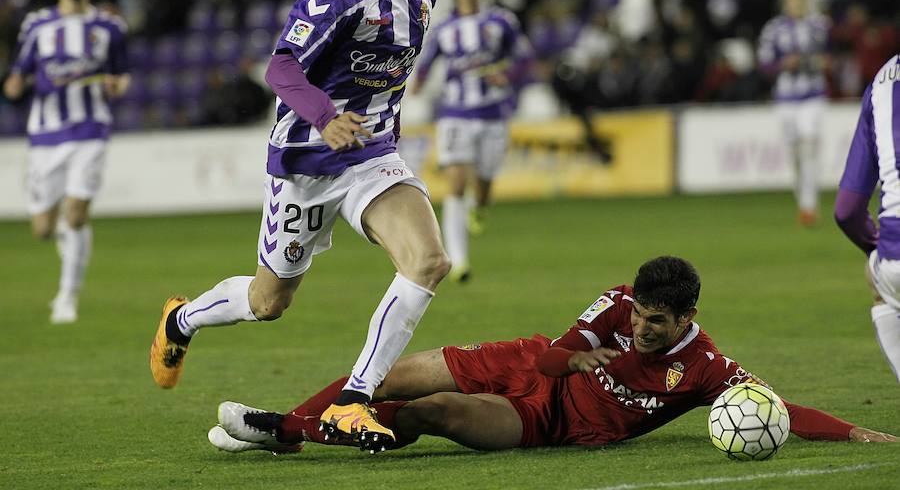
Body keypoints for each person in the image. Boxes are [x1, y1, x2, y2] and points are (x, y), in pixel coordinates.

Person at [149, 0, 448, 454]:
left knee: (428, 261)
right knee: (269, 303)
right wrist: (325, 118)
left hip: (374, 157)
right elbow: (281, 67)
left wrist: (372, 127)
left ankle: (354, 401)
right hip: (308, 161)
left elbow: (386, 77)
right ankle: (180, 319)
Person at [205, 256, 897, 454]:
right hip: (535, 367)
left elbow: (774, 408)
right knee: (390, 372)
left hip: (553, 422)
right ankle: (288, 431)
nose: (643, 329)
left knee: (433, 411)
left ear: (687, 318)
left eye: (658, 324)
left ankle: (304, 430)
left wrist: (853, 430)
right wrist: (580, 359)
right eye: (641, 317)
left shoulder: (706, 367)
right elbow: (547, 363)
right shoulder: (617, 303)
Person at [2, 0, 131, 324]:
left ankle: (66, 297)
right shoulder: (37, 26)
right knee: (43, 228)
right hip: (45, 135)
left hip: (90, 130)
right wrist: (14, 85)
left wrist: (116, 85)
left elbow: (122, 76)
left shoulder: (110, 27)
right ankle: (62, 236)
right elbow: (18, 75)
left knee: (75, 214)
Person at [411, 0, 533, 282]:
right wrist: (418, 83)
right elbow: (425, 64)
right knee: (456, 183)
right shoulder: (444, 29)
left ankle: (479, 206)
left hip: (493, 113)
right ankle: (458, 261)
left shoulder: (501, 21)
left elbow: (523, 58)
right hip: (455, 114)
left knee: (484, 183)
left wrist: (505, 75)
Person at [834, 54, 900, 383]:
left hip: (895, 260)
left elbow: (847, 210)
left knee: (879, 284)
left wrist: (879, 247)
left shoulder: (882, 81)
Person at [757, 0, 830, 227]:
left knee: (809, 148)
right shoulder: (773, 29)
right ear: (785, 2)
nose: (798, 4)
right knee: (795, 154)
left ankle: (809, 207)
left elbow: (833, 56)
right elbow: (764, 64)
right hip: (786, 99)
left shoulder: (818, 26)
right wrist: (781, 66)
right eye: (793, 0)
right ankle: (804, 203)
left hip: (812, 95)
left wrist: (822, 62)